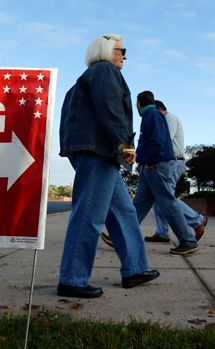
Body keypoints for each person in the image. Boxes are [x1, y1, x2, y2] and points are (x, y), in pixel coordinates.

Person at [57, 34, 160, 299]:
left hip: (95, 150)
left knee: (124, 212)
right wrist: (124, 145)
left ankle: (135, 269)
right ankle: (73, 278)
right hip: (99, 151)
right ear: (105, 50)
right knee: (89, 214)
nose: (125, 55)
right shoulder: (105, 71)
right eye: (121, 50)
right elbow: (111, 109)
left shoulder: (88, 76)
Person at [131, 91, 198, 255]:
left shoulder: (152, 115)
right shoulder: (152, 116)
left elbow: (159, 141)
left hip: (156, 166)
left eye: (136, 105)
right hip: (151, 167)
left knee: (168, 203)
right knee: (139, 204)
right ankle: (122, 235)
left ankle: (188, 241)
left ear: (139, 103)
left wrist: (150, 161)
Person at [143, 100, 208, 244]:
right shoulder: (164, 119)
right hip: (167, 162)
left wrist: (150, 158)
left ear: (159, 109)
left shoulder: (169, 118)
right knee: (159, 199)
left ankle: (197, 220)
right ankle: (162, 233)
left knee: (167, 198)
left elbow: (164, 140)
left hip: (172, 162)